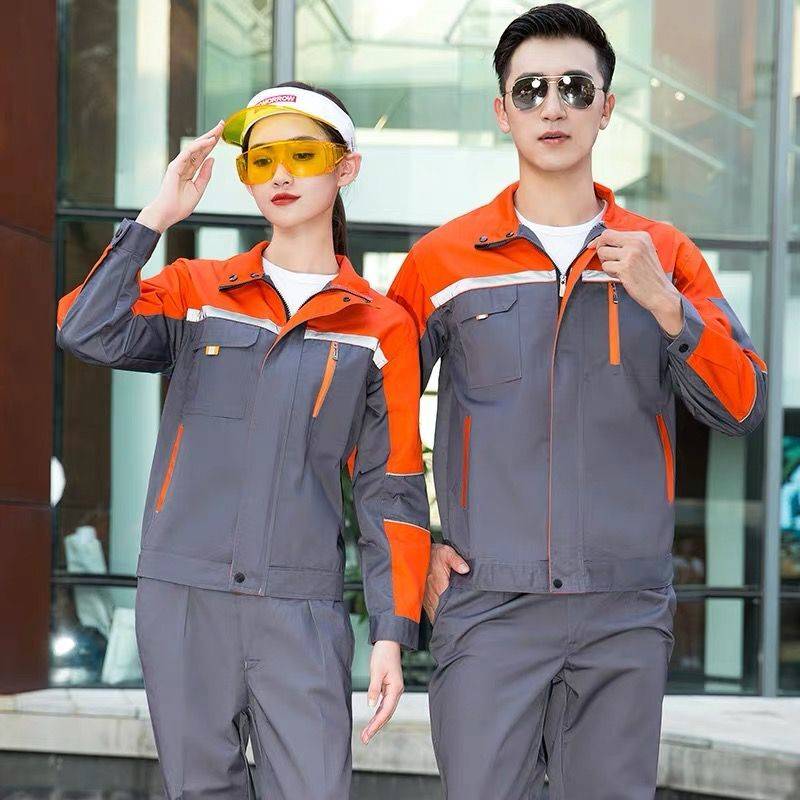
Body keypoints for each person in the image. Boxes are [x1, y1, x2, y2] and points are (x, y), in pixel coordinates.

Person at [386, 5, 768, 799]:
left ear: (606, 107)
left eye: (574, 87)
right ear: (503, 112)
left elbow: (742, 405)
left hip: (623, 612)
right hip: (488, 606)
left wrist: (669, 307)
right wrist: (414, 558)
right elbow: (373, 422)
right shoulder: (442, 261)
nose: (552, 106)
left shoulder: (665, 255)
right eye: (530, 90)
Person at [55, 81, 431, 800]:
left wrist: (392, 629)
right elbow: (84, 328)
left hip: (302, 607)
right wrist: (157, 216)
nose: (281, 173)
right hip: (183, 596)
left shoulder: (380, 326)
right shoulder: (196, 291)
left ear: (346, 167)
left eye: (302, 154)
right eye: (261, 160)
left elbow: (393, 487)